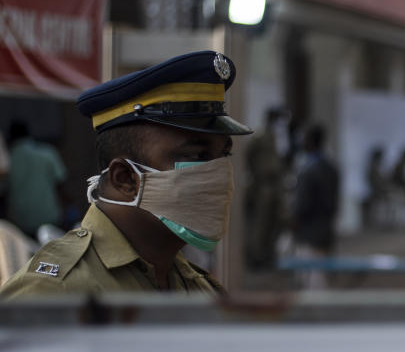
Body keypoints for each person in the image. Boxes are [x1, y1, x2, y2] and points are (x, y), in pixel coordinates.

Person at [0, 51, 253, 299]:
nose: (218, 173)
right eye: (196, 156)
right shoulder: (53, 294)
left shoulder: (197, 288)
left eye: (224, 155)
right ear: (125, 178)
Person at [291, 124, 340, 289]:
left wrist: (293, 221)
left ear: (310, 141)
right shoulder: (331, 168)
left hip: (308, 232)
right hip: (326, 229)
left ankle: (315, 313)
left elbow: (302, 205)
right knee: (322, 274)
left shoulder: (308, 170)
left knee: (313, 279)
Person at [4, 119, 67, 238]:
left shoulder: (7, 161)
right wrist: (66, 210)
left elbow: (3, 192)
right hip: (50, 216)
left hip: (20, 222)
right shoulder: (47, 153)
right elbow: (61, 184)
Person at [244, 107, 288, 270]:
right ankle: (256, 257)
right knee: (260, 224)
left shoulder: (277, 137)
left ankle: (268, 255)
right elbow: (247, 155)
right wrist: (256, 173)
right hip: (263, 184)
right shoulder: (260, 137)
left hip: (275, 184)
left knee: (274, 223)